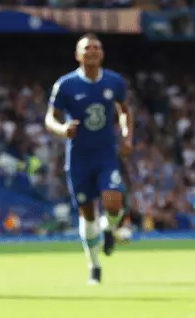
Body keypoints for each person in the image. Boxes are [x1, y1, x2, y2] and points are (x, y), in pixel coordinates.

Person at [45, 35, 132, 285]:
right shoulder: (66, 84)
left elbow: (125, 109)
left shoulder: (114, 81)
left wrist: (127, 135)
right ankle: (94, 266)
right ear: (77, 55)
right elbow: (50, 117)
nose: (92, 52)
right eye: (87, 48)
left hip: (106, 154)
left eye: (96, 48)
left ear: (102, 54)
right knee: (87, 215)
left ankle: (109, 227)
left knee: (113, 201)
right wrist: (62, 129)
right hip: (79, 157)